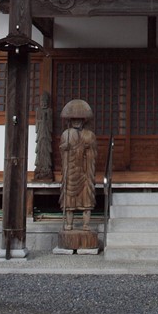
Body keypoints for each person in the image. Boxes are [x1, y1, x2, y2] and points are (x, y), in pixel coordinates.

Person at [59, 99, 97, 231]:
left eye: (79, 119)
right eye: (74, 119)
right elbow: (62, 149)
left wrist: (88, 150)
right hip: (70, 171)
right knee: (69, 201)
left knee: (86, 200)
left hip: (84, 172)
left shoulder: (89, 135)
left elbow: (94, 153)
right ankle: (69, 224)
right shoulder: (66, 134)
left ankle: (86, 224)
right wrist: (66, 147)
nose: (77, 121)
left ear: (83, 120)